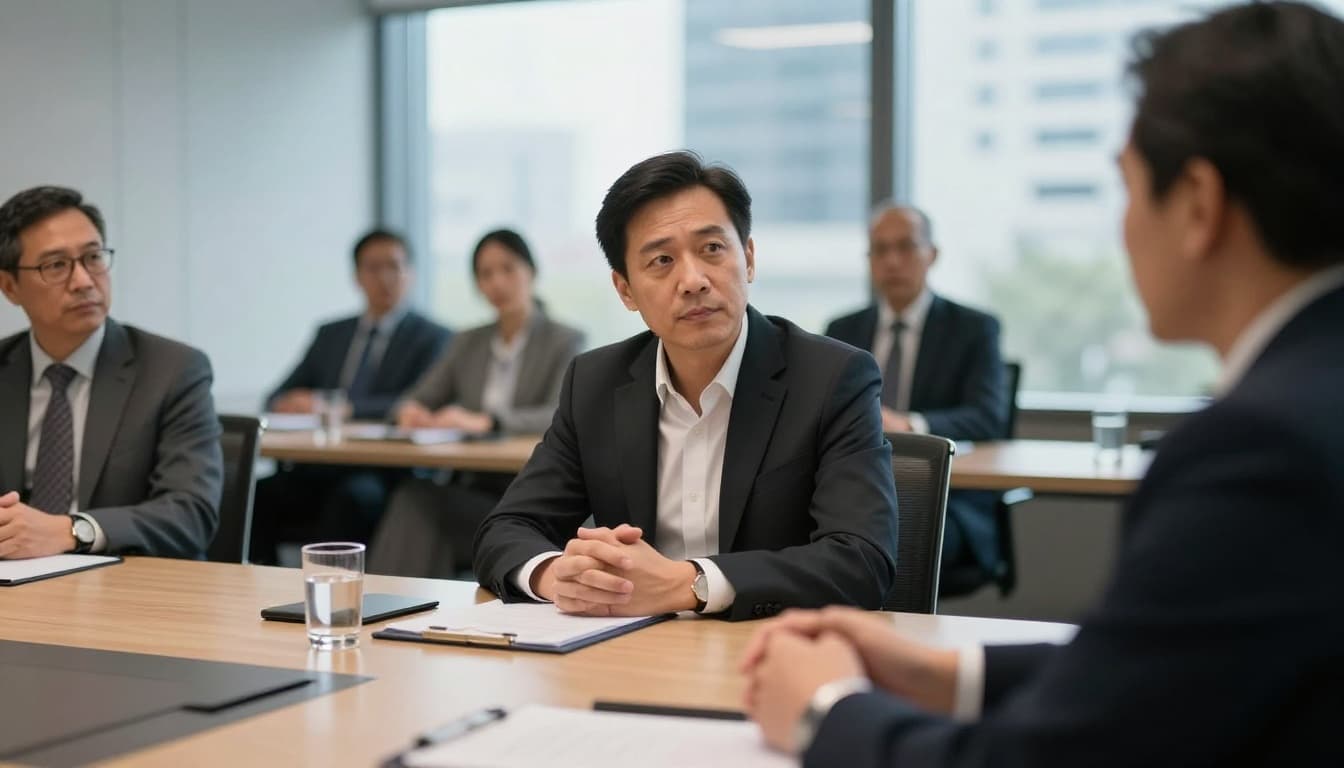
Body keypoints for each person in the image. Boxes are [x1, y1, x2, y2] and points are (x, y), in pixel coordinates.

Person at [741, 2, 1344, 764]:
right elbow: (1166, 670)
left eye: (1126, 190)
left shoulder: (1262, 452)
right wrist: (945, 669)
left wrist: (825, 710)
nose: (1121, 229)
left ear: (1197, 203)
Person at [472, 151, 899, 620]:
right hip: (631, 651)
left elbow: (861, 561)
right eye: (661, 260)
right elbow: (507, 528)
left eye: (712, 249)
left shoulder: (832, 378)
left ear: (749, 258)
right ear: (625, 290)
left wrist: (689, 583)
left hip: (772, 648)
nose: (693, 280)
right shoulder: (595, 383)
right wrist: (561, 577)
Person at [0, 185, 222, 559]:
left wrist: (72, 530)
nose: (84, 281)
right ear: (9, 286)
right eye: (56, 265)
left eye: (93, 257)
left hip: (126, 589)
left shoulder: (172, 370)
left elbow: (190, 513)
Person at [367, 229, 584, 578]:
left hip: (534, 498)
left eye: (508, 269)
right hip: (475, 487)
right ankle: (391, 612)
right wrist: (411, 412)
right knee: (414, 500)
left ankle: (389, 609)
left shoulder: (564, 339)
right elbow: (415, 398)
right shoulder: (467, 342)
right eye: (486, 274)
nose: (498, 282)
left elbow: (560, 414)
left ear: (531, 272)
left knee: (420, 507)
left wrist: (487, 422)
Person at [825, 205, 1008, 590]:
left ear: (932, 254)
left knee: (886, 535)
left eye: (906, 247)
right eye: (880, 249)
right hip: (857, 493)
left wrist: (909, 425)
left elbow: (990, 417)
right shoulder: (843, 329)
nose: (892, 261)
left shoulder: (974, 329)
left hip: (951, 505)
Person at [249, 229, 450, 564]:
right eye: (373, 268)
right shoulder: (331, 334)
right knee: (252, 495)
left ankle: (333, 604)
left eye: (394, 267)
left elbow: (416, 403)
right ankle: (263, 595)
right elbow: (276, 396)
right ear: (357, 276)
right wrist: (291, 403)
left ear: (411, 274)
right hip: (319, 465)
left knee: (351, 499)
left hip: (384, 470)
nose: (385, 277)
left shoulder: (434, 338)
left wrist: (339, 407)